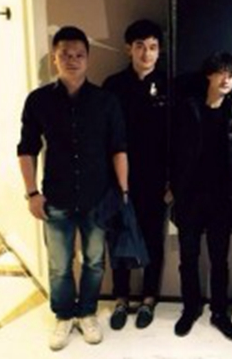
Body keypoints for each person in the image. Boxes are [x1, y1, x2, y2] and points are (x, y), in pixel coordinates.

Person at [17, 26, 128, 351]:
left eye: (79, 54)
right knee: (59, 265)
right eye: (65, 54)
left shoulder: (106, 101)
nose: (72, 60)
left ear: (88, 59)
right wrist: (31, 194)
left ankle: (87, 312)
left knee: (94, 261)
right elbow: (26, 148)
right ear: (55, 58)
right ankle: (64, 315)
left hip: (98, 197)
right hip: (56, 197)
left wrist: (122, 191)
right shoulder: (38, 101)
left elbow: (118, 148)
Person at [171, 52, 232, 341]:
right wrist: (173, 186)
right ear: (209, 75)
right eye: (221, 72)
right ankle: (190, 308)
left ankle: (220, 313)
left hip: (221, 198)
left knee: (219, 259)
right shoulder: (188, 107)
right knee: (188, 257)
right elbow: (172, 148)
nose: (227, 79)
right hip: (189, 195)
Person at [103, 19, 169, 330]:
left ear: (159, 51)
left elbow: (176, 138)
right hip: (118, 177)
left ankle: (148, 299)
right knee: (118, 237)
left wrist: (172, 181)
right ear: (128, 48)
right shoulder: (113, 85)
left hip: (156, 179)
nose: (146, 53)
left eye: (153, 47)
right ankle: (120, 299)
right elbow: (104, 135)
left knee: (153, 238)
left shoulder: (168, 85)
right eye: (140, 46)